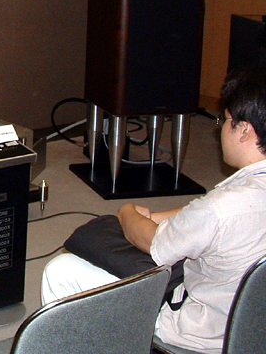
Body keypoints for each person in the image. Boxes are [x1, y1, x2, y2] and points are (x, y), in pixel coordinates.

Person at [41, 66, 266, 353]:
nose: (220, 127)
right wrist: (157, 217)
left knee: (61, 271)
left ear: (244, 130)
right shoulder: (232, 201)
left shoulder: (219, 209)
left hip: (203, 333)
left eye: (225, 119)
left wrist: (127, 211)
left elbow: (154, 244)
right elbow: (204, 215)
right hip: (255, 328)